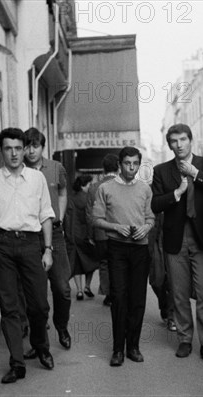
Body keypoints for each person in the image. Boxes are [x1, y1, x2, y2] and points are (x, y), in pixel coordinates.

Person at [0, 128, 55, 384]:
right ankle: (17, 363)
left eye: (18, 148)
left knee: (39, 305)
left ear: (24, 150)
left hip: (32, 245)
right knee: (9, 307)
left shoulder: (36, 179)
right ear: (1, 150)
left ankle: (40, 345)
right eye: (8, 148)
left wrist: (47, 249)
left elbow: (45, 215)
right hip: (2, 245)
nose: (14, 153)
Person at [151, 123, 203, 362]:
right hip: (175, 238)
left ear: (191, 140)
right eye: (174, 141)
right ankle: (184, 338)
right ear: (169, 144)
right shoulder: (162, 171)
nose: (178, 145)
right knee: (179, 293)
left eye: (182, 139)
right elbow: (155, 204)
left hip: (201, 237)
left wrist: (195, 174)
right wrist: (176, 194)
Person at [92, 146, 155, 367]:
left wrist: (146, 228)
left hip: (140, 247)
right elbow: (96, 219)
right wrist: (116, 228)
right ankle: (118, 349)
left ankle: (134, 347)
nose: (131, 167)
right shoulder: (106, 188)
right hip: (117, 247)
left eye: (135, 163)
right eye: (127, 163)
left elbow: (150, 217)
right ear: (120, 164)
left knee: (138, 298)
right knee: (119, 297)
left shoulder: (145, 189)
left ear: (139, 164)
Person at [22, 128, 72, 352]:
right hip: (30, 236)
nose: (31, 150)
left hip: (56, 235)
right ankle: (39, 340)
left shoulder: (56, 168)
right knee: (35, 292)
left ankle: (61, 326)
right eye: (27, 146)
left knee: (62, 288)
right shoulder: (18, 170)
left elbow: (62, 192)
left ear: (43, 147)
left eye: (35, 146)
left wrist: (59, 216)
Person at [85, 153, 120, 306]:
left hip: (100, 233)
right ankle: (118, 292)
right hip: (119, 232)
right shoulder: (123, 185)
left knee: (104, 264)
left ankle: (108, 294)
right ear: (118, 167)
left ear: (103, 169)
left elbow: (89, 214)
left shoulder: (93, 188)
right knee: (119, 264)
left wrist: (90, 234)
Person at [67, 174, 98, 300]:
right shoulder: (89, 199)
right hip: (86, 234)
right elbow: (90, 219)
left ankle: (79, 290)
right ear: (83, 185)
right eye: (90, 184)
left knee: (76, 263)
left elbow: (67, 218)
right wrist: (92, 236)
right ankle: (87, 286)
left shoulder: (70, 198)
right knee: (91, 261)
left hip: (73, 234)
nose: (91, 187)